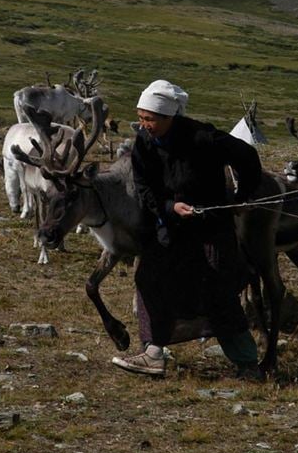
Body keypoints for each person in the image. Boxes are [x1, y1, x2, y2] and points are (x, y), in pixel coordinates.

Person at [112, 79, 263, 379]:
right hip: (170, 225)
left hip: (211, 227)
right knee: (150, 278)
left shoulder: (203, 138)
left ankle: (247, 363)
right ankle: (153, 353)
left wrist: (243, 196)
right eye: (141, 118)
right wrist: (170, 208)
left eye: (150, 119)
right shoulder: (144, 142)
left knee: (217, 290)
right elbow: (145, 187)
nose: (144, 125)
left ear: (170, 117)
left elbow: (247, 157)